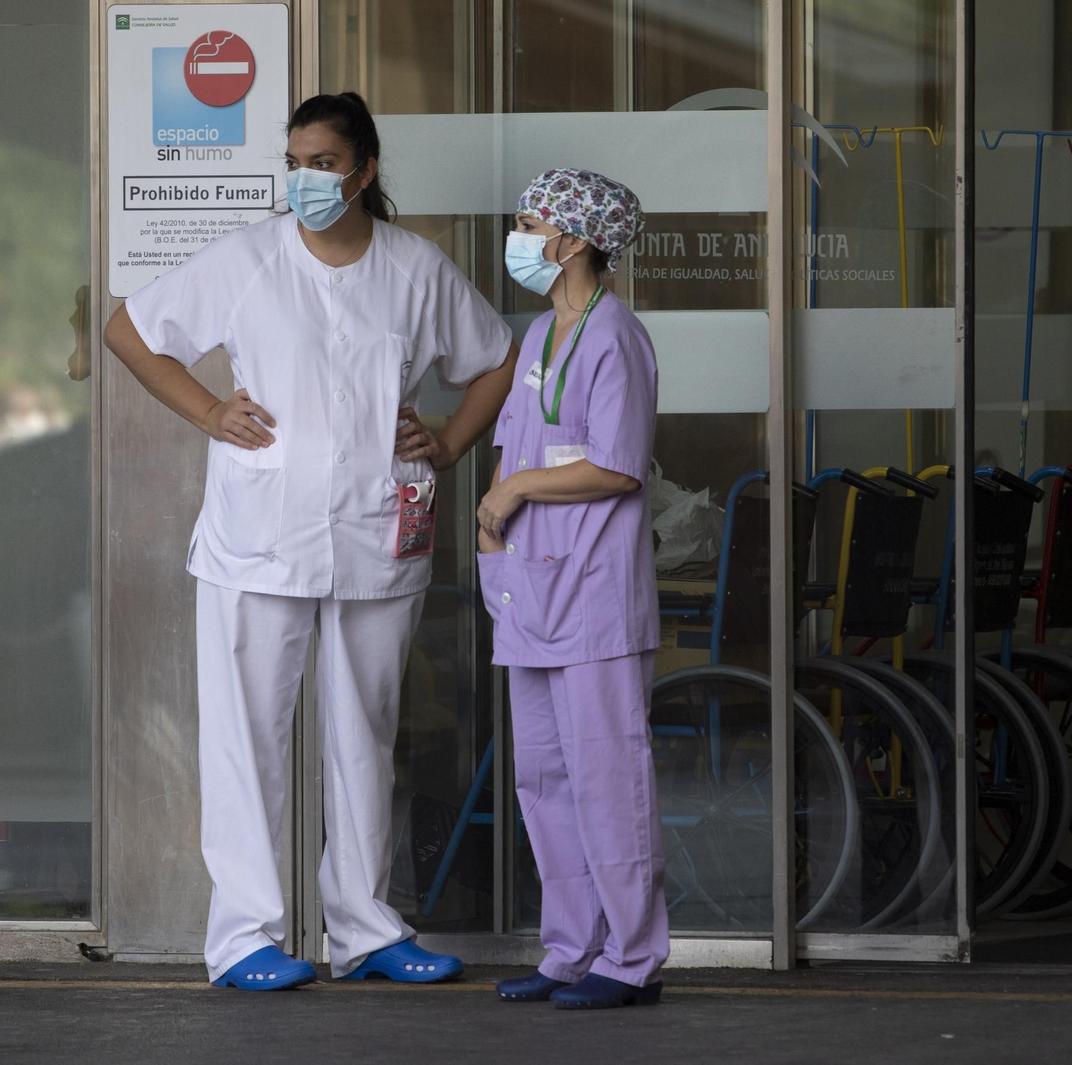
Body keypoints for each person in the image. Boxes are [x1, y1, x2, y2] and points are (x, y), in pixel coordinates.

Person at [104, 92, 517, 991]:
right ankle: (245, 937)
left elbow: (494, 358)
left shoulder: (415, 269)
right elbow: (127, 330)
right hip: (260, 536)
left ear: (365, 171)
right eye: (295, 162)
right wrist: (211, 410)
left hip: (378, 532)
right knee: (247, 737)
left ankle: (366, 929)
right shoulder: (249, 258)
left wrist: (448, 442)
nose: (307, 180)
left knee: (365, 731)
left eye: (324, 163)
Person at [475, 169, 663, 1010]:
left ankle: (629, 958)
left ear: (577, 239)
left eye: (530, 222)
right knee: (543, 777)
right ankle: (569, 948)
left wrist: (513, 494)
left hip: (590, 593)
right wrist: (498, 507)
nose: (518, 235)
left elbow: (615, 463)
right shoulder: (542, 332)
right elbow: (522, 443)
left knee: (606, 774)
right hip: (532, 588)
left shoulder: (612, 335)